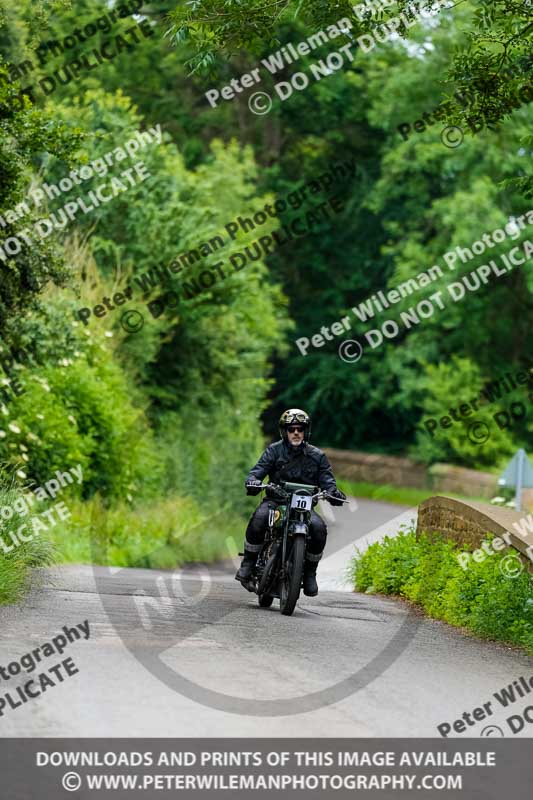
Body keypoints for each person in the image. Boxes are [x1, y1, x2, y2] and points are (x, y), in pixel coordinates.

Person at [235, 408, 346, 597]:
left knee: (318, 528)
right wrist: (254, 481)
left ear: (305, 431)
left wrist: (333, 493)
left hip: (304, 509)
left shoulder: (317, 456)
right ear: (284, 431)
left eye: (300, 429)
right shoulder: (274, 450)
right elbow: (257, 471)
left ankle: (310, 574)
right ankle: (248, 564)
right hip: (275, 502)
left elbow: (328, 481)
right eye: (291, 429)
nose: (296, 432)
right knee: (260, 517)